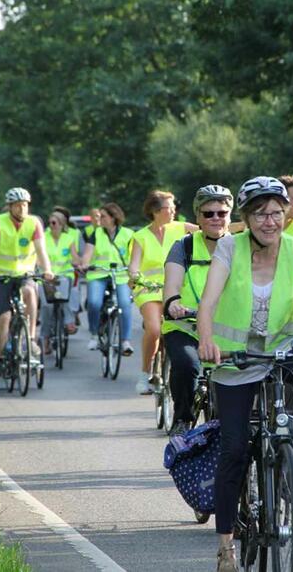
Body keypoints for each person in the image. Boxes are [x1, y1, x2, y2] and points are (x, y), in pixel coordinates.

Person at [197, 176, 293, 572]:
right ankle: (225, 546)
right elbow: (209, 301)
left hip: (286, 347)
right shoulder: (230, 248)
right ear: (247, 218)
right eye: (261, 214)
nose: (270, 221)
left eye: (277, 213)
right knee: (234, 450)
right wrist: (206, 339)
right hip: (235, 360)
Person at [162, 185, 233, 436]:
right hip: (185, 325)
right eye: (208, 213)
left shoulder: (241, 247)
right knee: (187, 364)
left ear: (230, 215)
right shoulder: (184, 247)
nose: (216, 218)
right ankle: (182, 418)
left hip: (227, 327)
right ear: (197, 218)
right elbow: (172, 283)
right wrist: (172, 302)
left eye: (222, 213)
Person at [128, 191, 197, 395]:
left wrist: (244, 226)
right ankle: (144, 375)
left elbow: (213, 229)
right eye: (170, 207)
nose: (174, 210)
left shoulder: (181, 228)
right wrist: (135, 276)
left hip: (174, 289)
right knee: (154, 329)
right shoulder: (140, 236)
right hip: (148, 290)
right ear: (156, 211)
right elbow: (133, 265)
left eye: (174, 206)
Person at [0, 188, 54, 376]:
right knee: (4, 316)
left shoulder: (34, 223)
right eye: (17, 205)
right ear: (10, 207)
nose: (22, 209)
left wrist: (47, 270)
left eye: (24, 205)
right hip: (1, 276)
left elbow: (41, 250)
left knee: (30, 293)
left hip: (24, 273)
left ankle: (30, 338)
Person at [78, 202, 135, 357]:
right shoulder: (96, 234)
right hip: (98, 274)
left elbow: (135, 256)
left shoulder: (129, 234)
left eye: (103, 216)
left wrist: (135, 269)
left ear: (113, 218)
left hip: (121, 275)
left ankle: (125, 341)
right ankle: (95, 335)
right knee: (94, 303)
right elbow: (87, 254)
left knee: (124, 304)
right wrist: (85, 264)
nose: (99, 219)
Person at [39, 211, 79, 354]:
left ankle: (69, 322)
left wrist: (77, 263)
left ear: (62, 225)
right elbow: (37, 255)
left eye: (54, 223)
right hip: (46, 276)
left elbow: (74, 257)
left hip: (64, 275)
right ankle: (45, 338)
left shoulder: (68, 239)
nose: (52, 226)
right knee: (46, 307)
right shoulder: (43, 238)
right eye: (49, 223)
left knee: (65, 298)